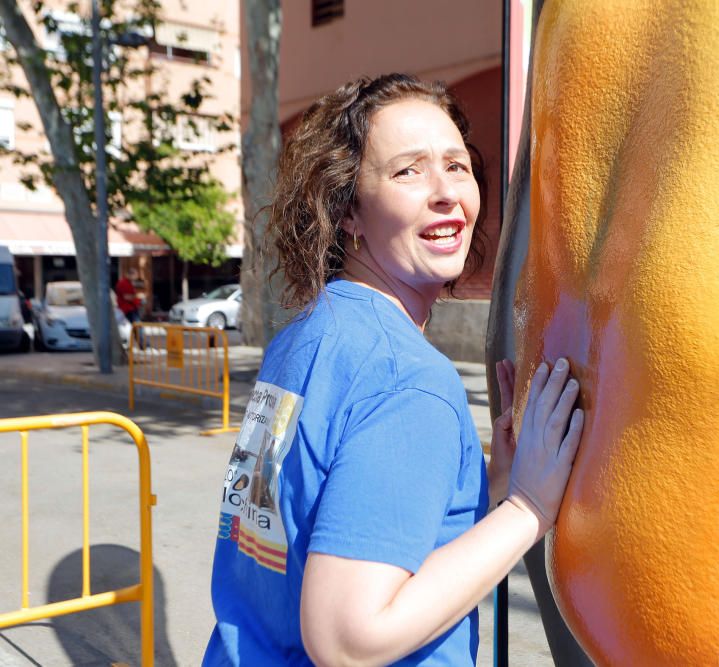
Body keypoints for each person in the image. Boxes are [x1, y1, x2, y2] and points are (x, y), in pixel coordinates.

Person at [202, 73, 584, 667]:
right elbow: (349, 637)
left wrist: (493, 488)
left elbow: (313, 530)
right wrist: (528, 508)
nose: (445, 192)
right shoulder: (407, 379)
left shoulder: (305, 337)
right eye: (408, 171)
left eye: (457, 166)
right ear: (349, 209)